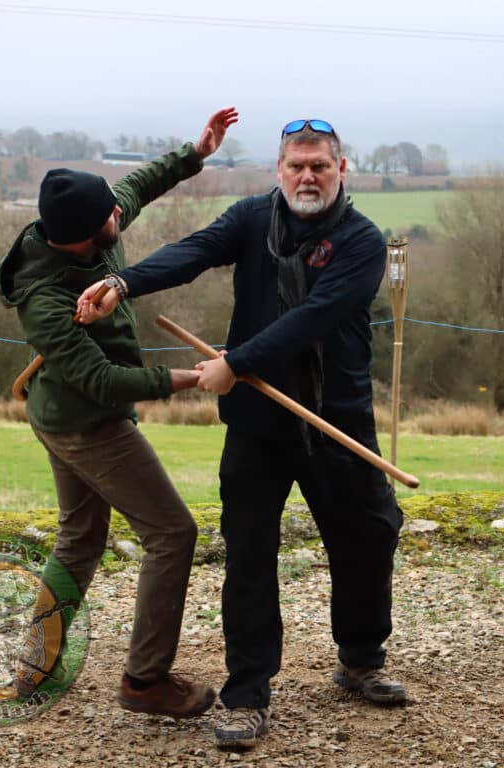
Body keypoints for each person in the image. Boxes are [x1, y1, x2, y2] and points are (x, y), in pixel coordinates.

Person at [77, 118, 406, 749]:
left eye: (320, 166)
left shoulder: (361, 242)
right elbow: (194, 252)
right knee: (250, 554)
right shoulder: (253, 218)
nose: (307, 177)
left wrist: (234, 363)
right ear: (278, 172)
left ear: (342, 171)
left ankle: (361, 658)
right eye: (296, 166)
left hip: (336, 418)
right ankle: (248, 692)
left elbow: (313, 317)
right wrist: (124, 282)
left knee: (367, 534)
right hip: (258, 425)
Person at [0, 107, 239, 718]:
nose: (119, 216)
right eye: (109, 217)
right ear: (80, 236)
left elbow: (134, 187)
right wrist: (195, 377)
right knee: (172, 533)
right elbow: (104, 382)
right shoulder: (44, 301)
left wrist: (196, 152)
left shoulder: (89, 224)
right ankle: (144, 681)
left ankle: (34, 666)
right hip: (85, 423)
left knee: (79, 539)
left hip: (60, 413)